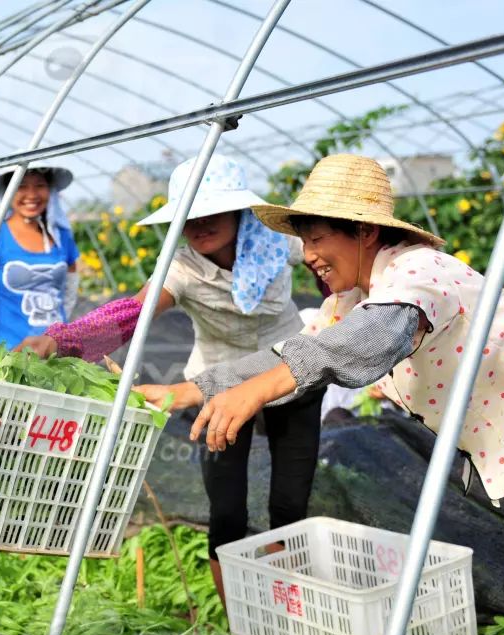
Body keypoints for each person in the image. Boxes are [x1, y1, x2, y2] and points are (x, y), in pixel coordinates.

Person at [139, 154, 504, 635]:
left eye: (318, 240)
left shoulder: (420, 272)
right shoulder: (349, 301)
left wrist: (261, 390)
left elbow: (378, 336)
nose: (309, 256)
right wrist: (185, 391)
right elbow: (285, 354)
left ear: (365, 232)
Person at [17, 154, 325, 606]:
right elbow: (131, 314)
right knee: (226, 508)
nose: (199, 225)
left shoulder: (277, 242)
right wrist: (59, 340)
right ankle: (239, 619)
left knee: (289, 503)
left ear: (239, 210)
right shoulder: (181, 268)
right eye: (189, 216)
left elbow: (327, 259)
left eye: (212, 211)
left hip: (288, 377)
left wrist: (345, 310)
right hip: (215, 387)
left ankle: (295, 606)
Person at [0, 165, 79, 349]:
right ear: (7, 192)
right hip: (11, 356)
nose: (31, 195)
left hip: (57, 355)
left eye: (40, 186)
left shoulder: (62, 237)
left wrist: (57, 339)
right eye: (21, 186)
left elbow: (69, 295)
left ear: (50, 190)